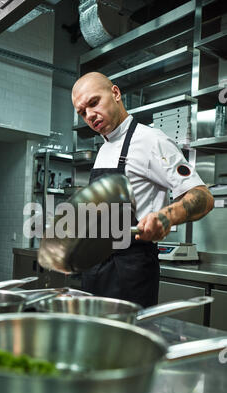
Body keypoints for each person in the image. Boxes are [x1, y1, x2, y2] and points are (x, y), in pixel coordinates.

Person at [71, 72, 214, 307]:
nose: (89, 115)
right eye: (82, 112)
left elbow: (202, 196)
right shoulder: (103, 148)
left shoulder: (151, 141)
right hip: (95, 268)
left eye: (94, 103)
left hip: (130, 271)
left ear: (115, 93)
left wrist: (166, 217)